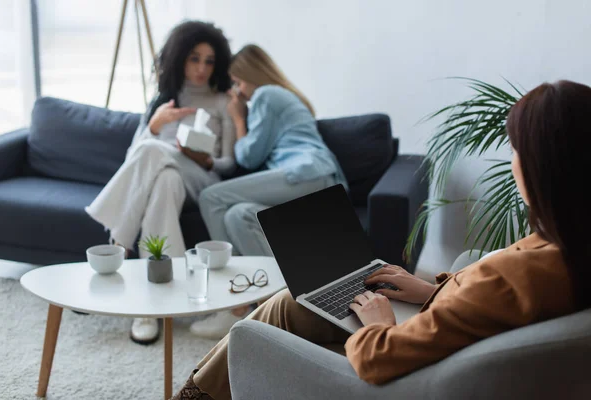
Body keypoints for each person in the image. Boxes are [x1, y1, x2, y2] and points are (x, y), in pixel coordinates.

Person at [171, 79, 591, 400]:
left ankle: (192, 395)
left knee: (271, 320)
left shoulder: (517, 275)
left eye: (516, 149)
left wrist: (379, 323)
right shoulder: (567, 249)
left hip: (396, 370)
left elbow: (379, 358)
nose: (513, 160)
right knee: (297, 300)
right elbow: (487, 308)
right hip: (440, 340)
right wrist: (431, 290)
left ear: (542, 167)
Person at [85, 20, 235, 345]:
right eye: (194, 58)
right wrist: (154, 127)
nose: (201, 68)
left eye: (208, 61)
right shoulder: (163, 100)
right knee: (163, 177)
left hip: (203, 179)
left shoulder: (224, 102)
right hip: (169, 177)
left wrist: (203, 159)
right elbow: (133, 158)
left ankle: (118, 244)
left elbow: (230, 163)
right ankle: (155, 306)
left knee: (155, 152)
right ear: (180, 58)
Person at [187, 44, 348, 340]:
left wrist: (237, 117)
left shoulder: (266, 94)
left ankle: (232, 304)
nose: (239, 91)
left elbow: (248, 155)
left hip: (307, 173)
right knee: (238, 215)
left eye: (238, 82)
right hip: (316, 180)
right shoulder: (281, 97)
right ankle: (277, 306)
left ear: (251, 74)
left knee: (211, 197)